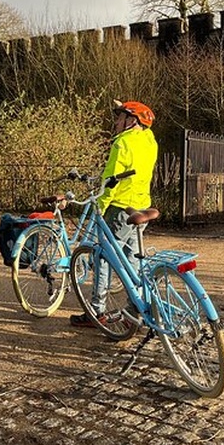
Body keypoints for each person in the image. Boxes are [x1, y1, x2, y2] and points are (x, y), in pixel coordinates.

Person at [70, 100, 158, 328]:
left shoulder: (123, 144)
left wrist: (101, 204)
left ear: (132, 121)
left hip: (120, 208)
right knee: (133, 260)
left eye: (120, 118)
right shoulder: (150, 141)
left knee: (103, 257)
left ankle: (96, 311)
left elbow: (111, 180)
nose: (116, 122)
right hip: (141, 205)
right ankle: (134, 310)